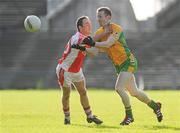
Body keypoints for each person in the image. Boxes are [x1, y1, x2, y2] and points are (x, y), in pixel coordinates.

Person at [73, 7, 163, 125]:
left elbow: (108, 43)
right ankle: (155, 106)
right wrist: (83, 48)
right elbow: (95, 51)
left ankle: (129, 116)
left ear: (108, 17)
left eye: (100, 16)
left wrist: (93, 43)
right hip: (119, 66)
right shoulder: (99, 32)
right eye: (97, 16)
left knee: (119, 88)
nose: (98, 19)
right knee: (134, 92)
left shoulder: (116, 28)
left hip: (128, 61)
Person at [56, 16, 102, 125]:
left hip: (76, 70)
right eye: (86, 24)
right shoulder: (78, 37)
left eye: (89, 23)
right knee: (67, 94)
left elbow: (94, 53)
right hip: (65, 70)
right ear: (80, 27)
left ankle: (90, 116)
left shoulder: (85, 37)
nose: (89, 25)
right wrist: (90, 43)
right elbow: (84, 41)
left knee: (83, 92)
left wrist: (86, 47)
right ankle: (67, 118)